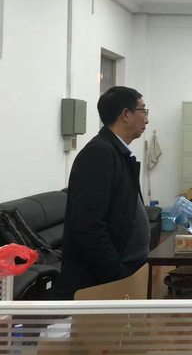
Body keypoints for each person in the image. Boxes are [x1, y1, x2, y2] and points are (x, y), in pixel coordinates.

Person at [56, 86, 150, 300]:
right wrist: (117, 274)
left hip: (123, 272)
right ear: (125, 114)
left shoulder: (117, 152)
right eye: (143, 111)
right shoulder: (99, 153)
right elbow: (88, 226)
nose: (146, 119)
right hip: (103, 281)